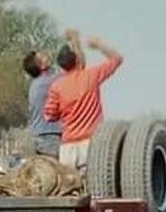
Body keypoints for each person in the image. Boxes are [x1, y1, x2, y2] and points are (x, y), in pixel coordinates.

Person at [43, 33, 123, 171]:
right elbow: (117, 59)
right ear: (76, 60)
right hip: (91, 143)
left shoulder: (57, 86)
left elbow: (49, 115)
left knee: (69, 189)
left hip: (68, 147)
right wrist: (99, 45)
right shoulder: (91, 76)